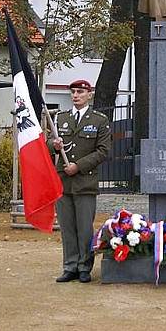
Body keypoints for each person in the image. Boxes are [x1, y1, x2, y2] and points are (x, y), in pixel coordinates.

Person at [48, 80, 111, 283]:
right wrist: (54, 145)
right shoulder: (61, 118)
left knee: (84, 228)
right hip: (63, 181)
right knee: (67, 227)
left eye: (80, 92)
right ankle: (70, 266)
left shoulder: (99, 120)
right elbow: (48, 142)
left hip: (85, 182)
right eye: (73, 92)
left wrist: (79, 166)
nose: (76, 95)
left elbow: (103, 151)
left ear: (89, 95)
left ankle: (84, 267)